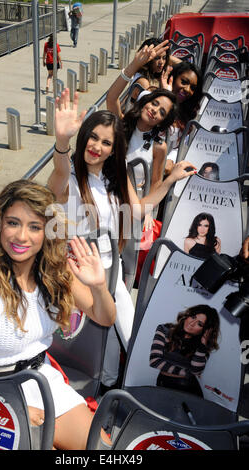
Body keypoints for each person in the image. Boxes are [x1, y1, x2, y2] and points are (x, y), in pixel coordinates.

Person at [0, 179, 116, 450]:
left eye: (35, 227)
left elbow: (105, 317)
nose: (21, 236)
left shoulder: (55, 272)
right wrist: (14, 408)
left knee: (106, 451)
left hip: (42, 379)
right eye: (13, 222)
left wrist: (98, 286)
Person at [47, 87, 197, 387]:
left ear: (115, 149)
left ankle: (131, 391)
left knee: (129, 334)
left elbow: (140, 211)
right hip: (74, 272)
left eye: (106, 142)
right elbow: (59, 174)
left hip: (108, 271)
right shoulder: (71, 179)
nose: (97, 147)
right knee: (72, 343)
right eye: (92, 137)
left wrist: (169, 180)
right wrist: (62, 141)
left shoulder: (117, 177)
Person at [106, 42, 178, 194]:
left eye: (162, 112)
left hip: (132, 207)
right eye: (155, 103)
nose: (154, 110)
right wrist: (134, 65)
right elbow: (112, 98)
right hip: (105, 195)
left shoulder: (159, 147)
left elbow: (155, 184)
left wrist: (145, 214)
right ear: (145, 103)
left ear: (162, 121)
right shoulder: (121, 124)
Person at [150, 304, 220, 397]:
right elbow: (154, 361)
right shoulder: (164, 330)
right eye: (193, 317)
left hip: (189, 387)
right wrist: (186, 372)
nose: (192, 323)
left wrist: (203, 346)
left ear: (205, 330)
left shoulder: (202, 344)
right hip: (164, 382)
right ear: (187, 315)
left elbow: (196, 371)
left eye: (199, 324)